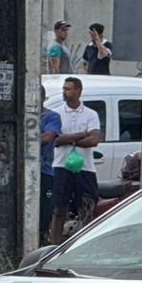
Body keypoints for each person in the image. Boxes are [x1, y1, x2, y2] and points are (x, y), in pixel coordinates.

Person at [48, 76, 100, 243]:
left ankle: (85, 243)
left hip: (85, 168)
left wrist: (69, 139)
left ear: (78, 91)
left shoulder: (91, 114)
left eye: (68, 89)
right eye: (64, 89)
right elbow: (56, 140)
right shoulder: (57, 114)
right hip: (62, 165)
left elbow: (94, 140)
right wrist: (81, 135)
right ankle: (54, 244)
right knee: (59, 207)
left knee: (86, 207)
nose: (65, 92)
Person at [37, 86, 61, 242]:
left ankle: (42, 238)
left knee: (44, 210)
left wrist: (24, 138)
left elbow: (47, 137)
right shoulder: (21, 116)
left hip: (45, 171)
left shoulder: (52, 117)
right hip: (21, 171)